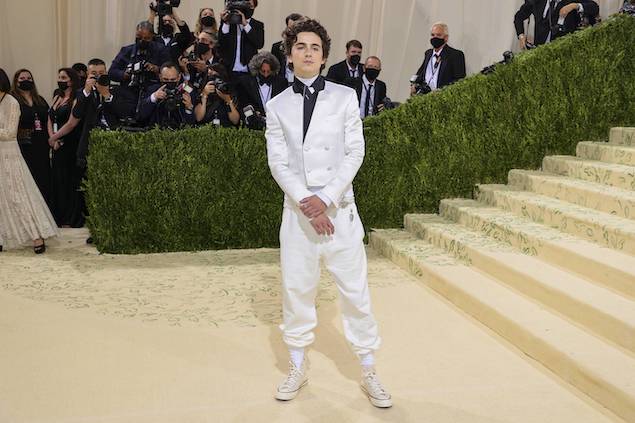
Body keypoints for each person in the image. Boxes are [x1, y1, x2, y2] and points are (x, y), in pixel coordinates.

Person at [265, 18, 392, 408]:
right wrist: (308, 201)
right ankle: (298, 366)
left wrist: (328, 199)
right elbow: (278, 162)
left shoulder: (344, 96)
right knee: (297, 290)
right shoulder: (276, 105)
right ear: (290, 55)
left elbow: (356, 152)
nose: (308, 53)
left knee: (355, 292)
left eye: (315, 48)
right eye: (300, 46)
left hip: (341, 213)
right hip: (298, 216)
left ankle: (369, 370)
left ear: (324, 56)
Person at [0, 68, 58, 254]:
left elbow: (9, 133)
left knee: (19, 196)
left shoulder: (11, 102)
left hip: (9, 155)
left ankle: (36, 237)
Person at [109, 21, 171, 121]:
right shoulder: (127, 51)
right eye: (139, 37)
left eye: (146, 38)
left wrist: (157, 69)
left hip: (151, 90)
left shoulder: (161, 50)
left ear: (152, 37)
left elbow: (170, 69)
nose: (142, 40)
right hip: (129, 91)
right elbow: (112, 72)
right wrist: (125, 74)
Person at [47, 68, 84, 227]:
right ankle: (59, 217)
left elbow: (71, 123)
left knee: (70, 181)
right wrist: (52, 139)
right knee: (58, 181)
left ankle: (71, 218)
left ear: (72, 80)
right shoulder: (57, 97)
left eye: (64, 77)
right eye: (59, 77)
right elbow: (49, 118)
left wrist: (55, 137)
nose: (60, 80)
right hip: (56, 146)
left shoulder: (76, 98)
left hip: (70, 144)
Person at [10, 69, 52, 204]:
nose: (26, 80)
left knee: (43, 175)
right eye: (22, 79)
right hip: (24, 143)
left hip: (41, 143)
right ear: (16, 82)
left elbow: (48, 119)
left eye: (29, 78)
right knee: (27, 176)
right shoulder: (13, 99)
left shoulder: (39, 99)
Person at [514, 0, 600, 49]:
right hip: (540, 50)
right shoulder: (537, 1)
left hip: (566, 49)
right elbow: (519, 17)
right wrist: (521, 36)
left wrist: (574, 6)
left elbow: (594, 7)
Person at [412, 22, 466, 95]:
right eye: (433, 35)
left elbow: (459, 81)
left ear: (446, 38)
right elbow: (420, 72)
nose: (435, 37)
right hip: (424, 97)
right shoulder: (428, 53)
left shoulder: (455, 55)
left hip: (442, 98)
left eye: (438, 35)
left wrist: (442, 92)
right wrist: (414, 84)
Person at [137, 62, 195, 129]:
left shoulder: (187, 90)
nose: (169, 82)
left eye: (173, 79)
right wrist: (154, 97)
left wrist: (188, 108)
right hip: (156, 132)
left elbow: (192, 124)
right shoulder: (152, 89)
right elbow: (140, 116)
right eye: (165, 79)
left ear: (179, 77)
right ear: (160, 77)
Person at [218, 0, 265, 80]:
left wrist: (246, 25)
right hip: (230, 72)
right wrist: (226, 22)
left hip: (249, 73)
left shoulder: (257, 25)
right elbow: (222, 43)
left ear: (254, 7)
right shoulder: (230, 23)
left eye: (249, 4)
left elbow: (259, 44)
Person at [236, 51, 288, 122]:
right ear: (257, 69)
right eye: (263, 71)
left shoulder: (281, 83)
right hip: (254, 125)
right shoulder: (246, 83)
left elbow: (283, 105)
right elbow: (244, 105)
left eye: (268, 71)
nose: (266, 75)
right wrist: (252, 115)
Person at [194, 63, 240, 127]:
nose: (215, 82)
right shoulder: (202, 94)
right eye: (211, 78)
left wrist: (228, 101)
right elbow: (198, 118)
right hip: (207, 130)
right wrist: (204, 95)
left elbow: (235, 121)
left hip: (226, 130)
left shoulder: (230, 92)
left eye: (216, 77)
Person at [271, 13, 303, 85]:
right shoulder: (277, 47)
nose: (292, 31)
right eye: (290, 28)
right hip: (282, 84)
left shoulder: (305, 48)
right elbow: (273, 69)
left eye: (295, 28)